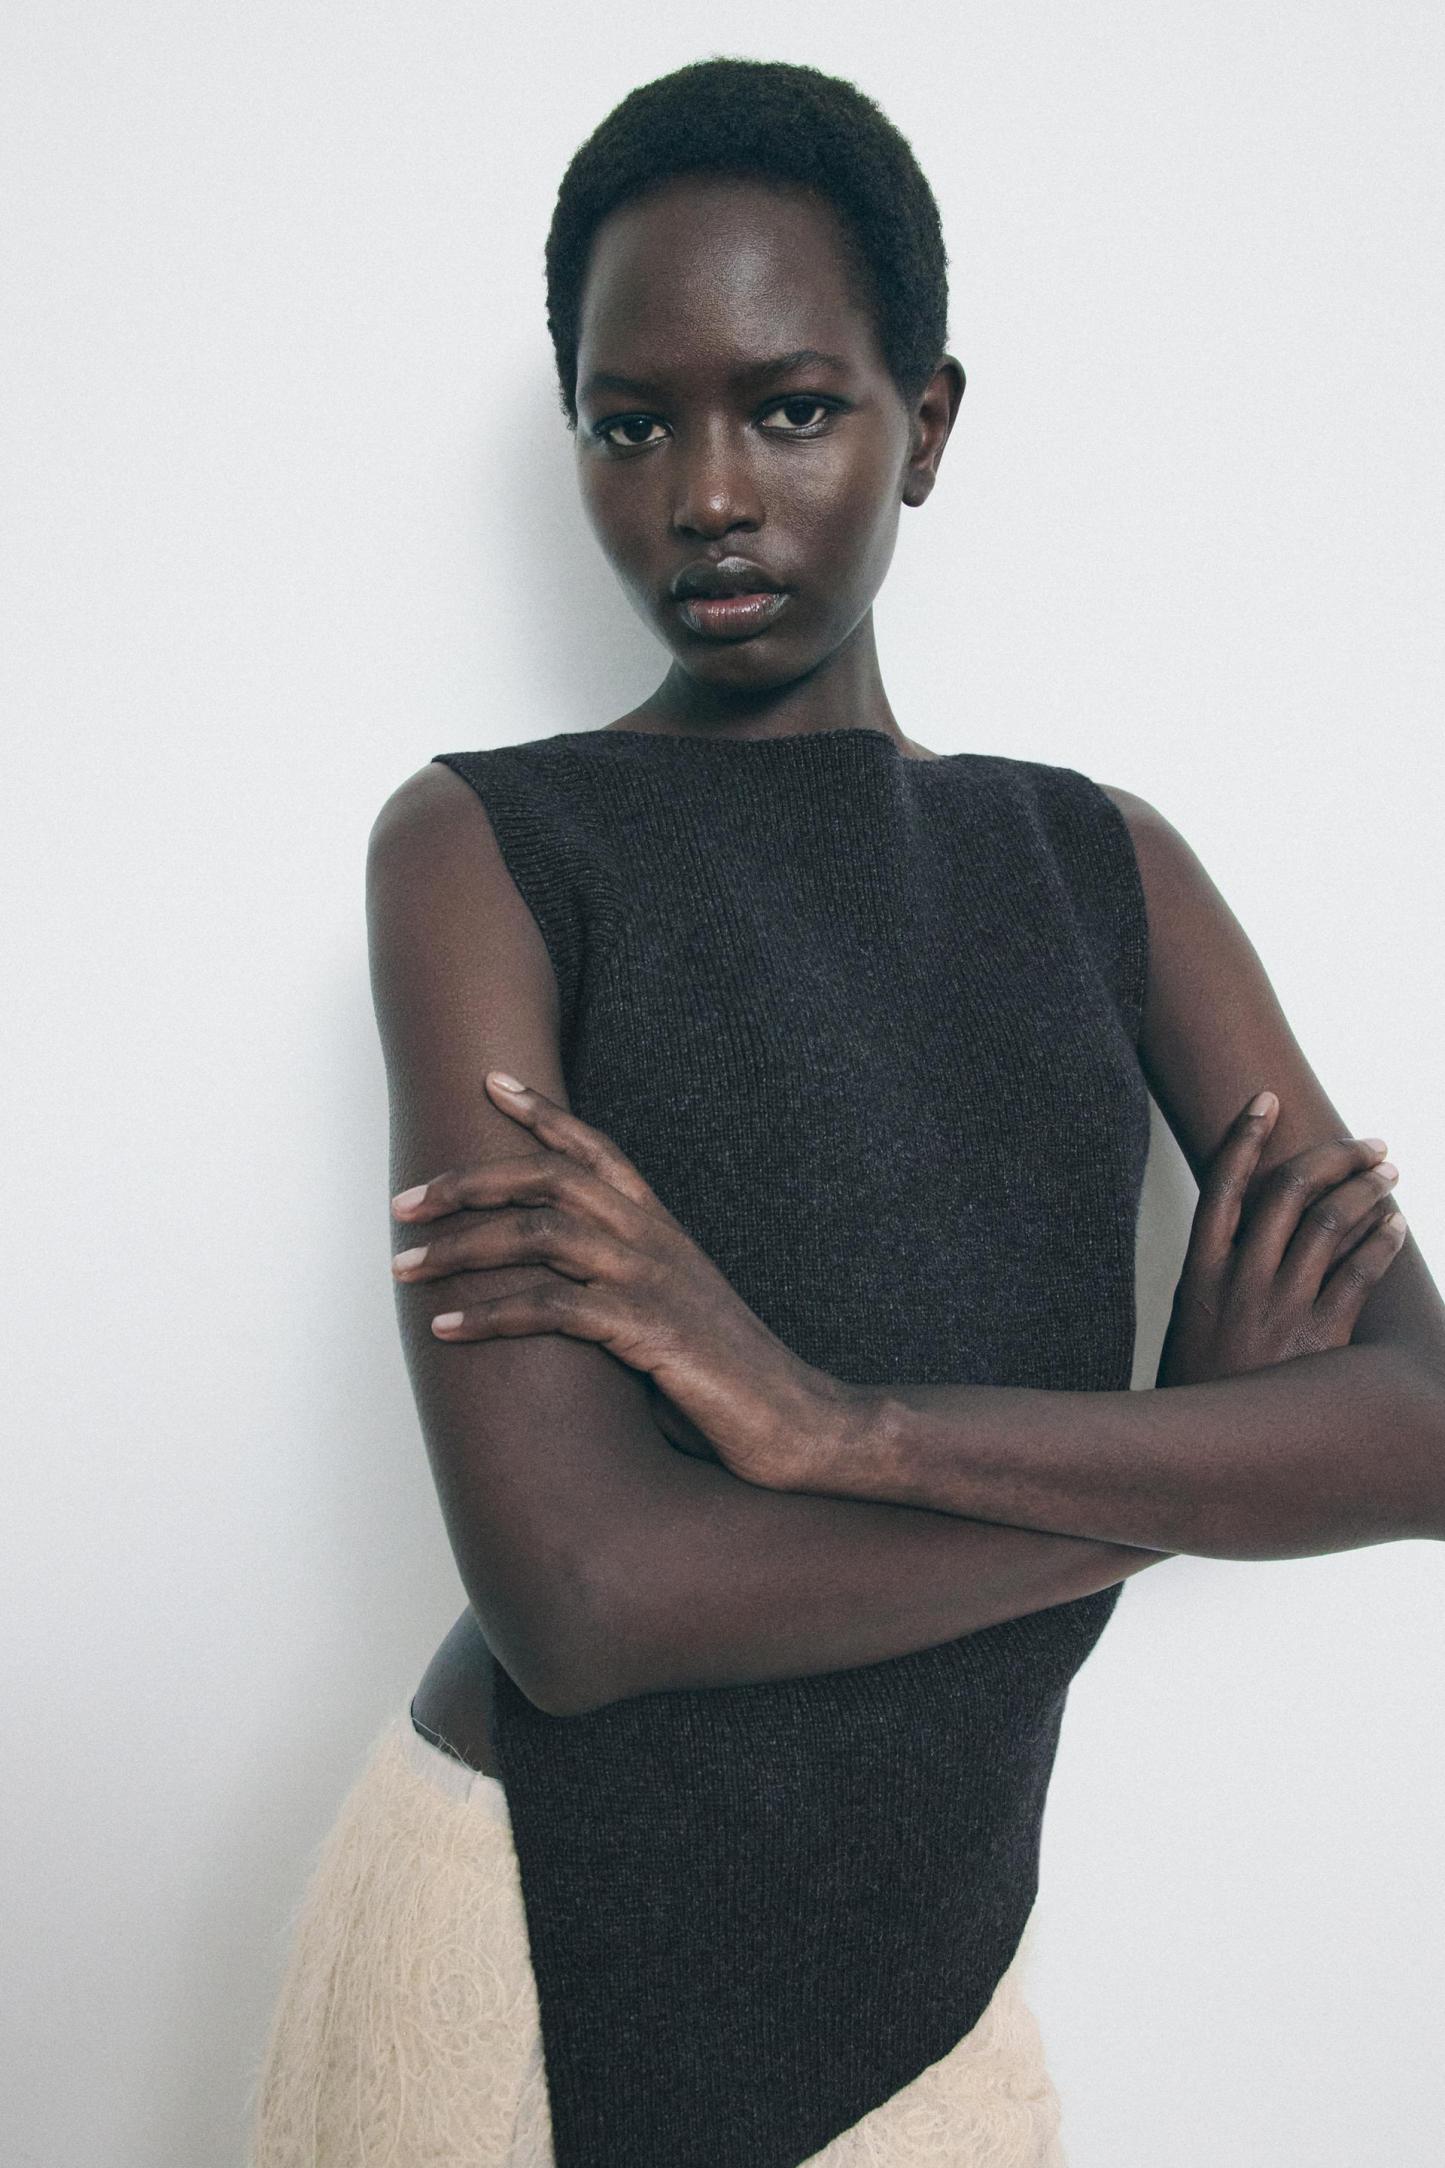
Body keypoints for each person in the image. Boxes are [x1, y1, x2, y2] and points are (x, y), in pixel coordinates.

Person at [247, 56, 1445, 2168]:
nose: (708, 494)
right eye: (633, 424)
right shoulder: (486, 848)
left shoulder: (1107, 869)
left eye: (792, 409)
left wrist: (837, 1428)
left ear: (929, 423)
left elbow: (1424, 1429)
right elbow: (587, 1600)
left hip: (935, 1999)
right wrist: (1194, 1460)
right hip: (523, 1965)